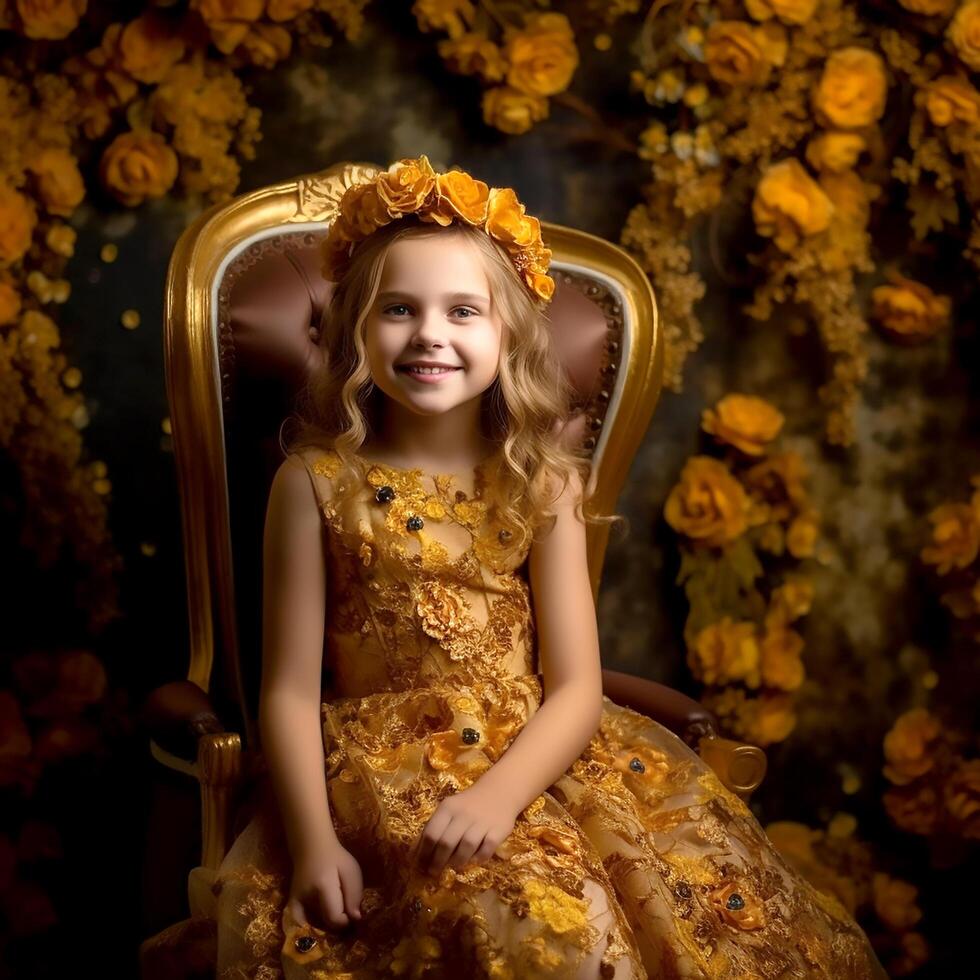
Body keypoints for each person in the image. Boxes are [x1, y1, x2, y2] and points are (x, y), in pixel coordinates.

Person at [165, 156, 889, 978]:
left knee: (599, 933)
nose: (429, 334)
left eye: (462, 311)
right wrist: (316, 844)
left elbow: (577, 686)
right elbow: (289, 692)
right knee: (510, 927)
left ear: (504, 334)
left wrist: (498, 797)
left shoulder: (540, 483)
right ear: (358, 332)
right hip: (378, 781)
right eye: (398, 310)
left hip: (537, 766)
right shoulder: (316, 484)